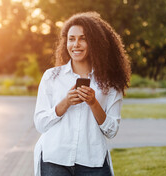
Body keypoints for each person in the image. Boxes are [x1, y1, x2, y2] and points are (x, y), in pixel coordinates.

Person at [34, 11, 131, 176]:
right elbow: (40, 123)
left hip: (92, 161)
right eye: (71, 39)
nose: (76, 44)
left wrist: (93, 103)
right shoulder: (52, 77)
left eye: (83, 38)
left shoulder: (110, 84)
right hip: (54, 159)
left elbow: (111, 130)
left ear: (95, 43)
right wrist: (65, 103)